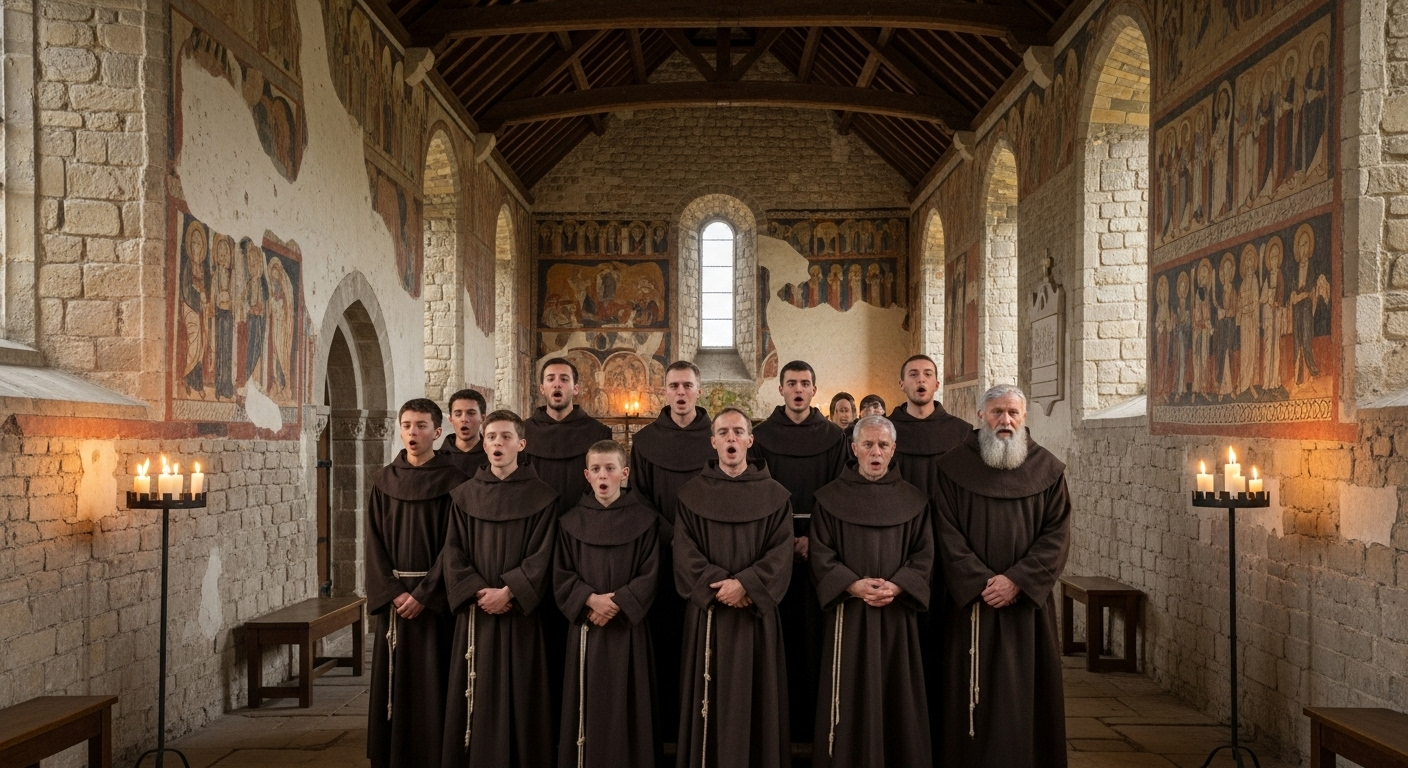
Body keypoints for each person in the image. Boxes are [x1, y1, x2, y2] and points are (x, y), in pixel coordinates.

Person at [933, 385, 1071, 768]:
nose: (1005, 420)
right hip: (971, 606)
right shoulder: (952, 468)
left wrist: (1018, 581)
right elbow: (945, 531)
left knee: (1024, 694)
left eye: (1012, 412)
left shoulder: (1047, 469)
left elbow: (1057, 536)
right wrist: (980, 581)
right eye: (996, 412)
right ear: (981, 416)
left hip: (1027, 608)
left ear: (1024, 417)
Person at [809, 415, 934, 768]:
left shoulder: (914, 500)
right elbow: (821, 554)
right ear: (854, 448)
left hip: (897, 616)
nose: (875, 452)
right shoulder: (830, 499)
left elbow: (924, 554)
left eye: (882, 445)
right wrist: (851, 584)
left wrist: (899, 585)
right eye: (868, 445)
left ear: (893, 450)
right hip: (849, 615)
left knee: (897, 694)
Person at [674, 408, 794, 768]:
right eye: (724, 432)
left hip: (755, 616)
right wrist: (720, 587)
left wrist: (746, 584)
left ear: (749, 440)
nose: (731, 438)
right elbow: (684, 551)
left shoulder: (775, 495)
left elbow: (781, 552)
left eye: (738, 432)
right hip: (709, 616)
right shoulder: (691, 495)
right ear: (713, 442)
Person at [441, 410, 560, 768]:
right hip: (477, 612)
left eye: (506, 437)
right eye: (491, 436)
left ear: (521, 444)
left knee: (522, 690)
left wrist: (509, 592)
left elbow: (543, 554)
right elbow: (453, 552)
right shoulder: (464, 495)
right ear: (484, 444)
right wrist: (480, 592)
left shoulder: (542, 496)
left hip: (520, 614)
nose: (498, 443)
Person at [749, 360, 847, 748]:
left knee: (815, 639)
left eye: (805, 383)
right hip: (773, 551)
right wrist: (784, 540)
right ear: (781, 390)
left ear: (814, 391)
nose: (798, 390)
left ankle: (815, 726)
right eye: (791, 383)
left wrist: (812, 539)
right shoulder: (761, 436)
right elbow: (758, 494)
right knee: (778, 637)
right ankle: (777, 725)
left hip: (820, 550)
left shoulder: (834, 438)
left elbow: (839, 493)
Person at [366, 399, 469, 768]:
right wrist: (393, 592)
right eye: (407, 425)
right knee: (395, 683)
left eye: (421, 425)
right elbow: (373, 543)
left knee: (434, 680)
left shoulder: (455, 482)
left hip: (435, 601)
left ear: (437, 432)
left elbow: (455, 545)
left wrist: (425, 594)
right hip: (396, 600)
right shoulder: (383, 481)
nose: (413, 432)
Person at [555, 440, 660, 768]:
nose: (603, 475)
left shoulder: (645, 520)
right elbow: (561, 573)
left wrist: (619, 603)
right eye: (596, 469)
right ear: (587, 475)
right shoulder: (570, 522)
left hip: (628, 629)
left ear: (624, 473)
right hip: (586, 627)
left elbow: (650, 572)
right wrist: (589, 600)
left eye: (610, 468)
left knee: (628, 705)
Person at [627, 360, 713, 758]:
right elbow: (638, 496)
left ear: (699, 390)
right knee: (665, 642)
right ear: (664, 391)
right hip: (660, 558)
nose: (681, 392)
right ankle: (663, 734)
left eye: (687, 386)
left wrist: (693, 543)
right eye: (674, 386)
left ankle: (702, 729)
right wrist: (673, 536)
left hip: (708, 560)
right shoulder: (646, 441)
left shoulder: (717, 437)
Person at [886, 354, 970, 757]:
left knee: (946, 643)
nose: (921, 381)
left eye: (928, 375)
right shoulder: (884, 431)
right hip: (899, 556)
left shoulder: (962, 433)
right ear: (901, 384)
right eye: (913, 374)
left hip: (951, 555)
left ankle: (945, 732)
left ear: (938, 384)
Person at [523, 357, 613, 730]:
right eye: (551, 379)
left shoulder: (598, 432)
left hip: (583, 551)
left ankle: (581, 723)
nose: (557, 384)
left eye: (564, 379)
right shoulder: (524, 433)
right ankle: (541, 725)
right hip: (533, 549)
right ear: (541, 388)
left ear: (576, 388)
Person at [441, 389, 488, 474]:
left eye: (471, 413)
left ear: (482, 418)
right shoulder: (437, 459)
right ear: (451, 419)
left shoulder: (493, 457)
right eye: (458, 414)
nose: (464, 419)